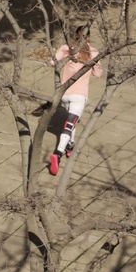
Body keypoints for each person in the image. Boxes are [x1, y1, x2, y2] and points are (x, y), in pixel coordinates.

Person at [49, 25, 102, 175]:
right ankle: (58, 153)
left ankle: (70, 146)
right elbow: (98, 74)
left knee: (72, 122)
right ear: (89, 37)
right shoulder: (93, 52)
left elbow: (52, 62)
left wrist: (65, 54)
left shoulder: (67, 48)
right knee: (69, 124)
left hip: (64, 94)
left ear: (75, 35)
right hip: (80, 96)